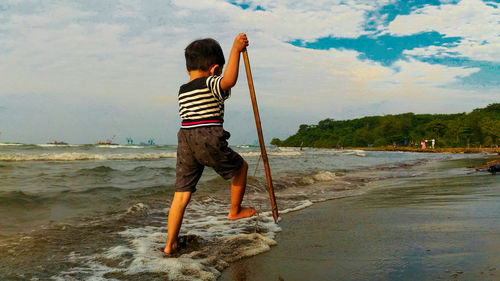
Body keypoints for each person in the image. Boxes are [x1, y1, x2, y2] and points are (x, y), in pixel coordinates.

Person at [164, 34, 256, 256]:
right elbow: (229, 81)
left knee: (182, 194)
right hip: (208, 138)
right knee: (241, 168)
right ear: (215, 69)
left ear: (188, 69)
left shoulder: (183, 90)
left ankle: (170, 244)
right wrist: (236, 49)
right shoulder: (212, 82)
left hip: (185, 140)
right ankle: (234, 210)